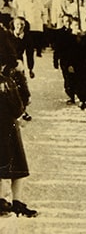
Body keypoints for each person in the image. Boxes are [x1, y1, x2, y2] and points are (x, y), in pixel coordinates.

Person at [0, 35, 36, 218]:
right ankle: (15, 201)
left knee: (12, 163)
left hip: (6, 120)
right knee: (16, 164)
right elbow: (18, 106)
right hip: (6, 121)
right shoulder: (9, 77)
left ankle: (9, 201)